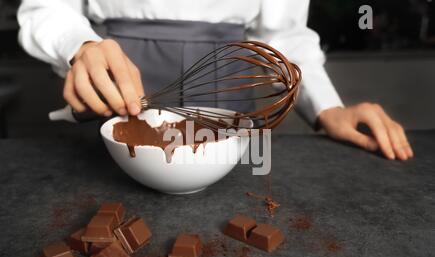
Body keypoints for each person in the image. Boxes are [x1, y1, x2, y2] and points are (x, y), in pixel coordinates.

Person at [17, 0, 413, 160]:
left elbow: (283, 36)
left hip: (228, 103)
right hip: (114, 93)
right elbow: (46, 8)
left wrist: (329, 107)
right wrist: (80, 45)